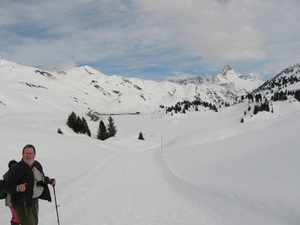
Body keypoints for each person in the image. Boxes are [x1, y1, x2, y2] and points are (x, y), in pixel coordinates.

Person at [4, 144, 56, 225]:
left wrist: (49, 180)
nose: (28, 155)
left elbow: (40, 178)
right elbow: (7, 187)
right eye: (26, 153)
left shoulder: (37, 165)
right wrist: (18, 188)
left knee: (34, 222)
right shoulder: (16, 169)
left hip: (34, 201)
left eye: (30, 153)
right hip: (22, 202)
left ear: (34, 154)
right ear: (22, 154)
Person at [3, 160, 20, 225]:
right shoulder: (9, 175)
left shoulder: (15, 174)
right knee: (16, 217)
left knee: (16, 216)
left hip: (15, 200)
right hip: (10, 200)